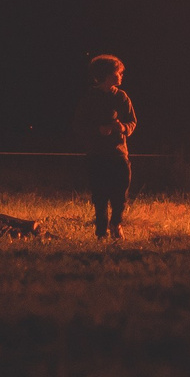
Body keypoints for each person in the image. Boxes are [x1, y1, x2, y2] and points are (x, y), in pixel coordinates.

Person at [73, 55, 136, 239]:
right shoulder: (90, 98)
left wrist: (123, 127)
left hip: (118, 154)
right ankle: (101, 232)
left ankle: (116, 223)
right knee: (100, 196)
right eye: (118, 72)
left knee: (120, 194)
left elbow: (132, 121)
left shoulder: (122, 97)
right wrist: (98, 130)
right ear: (107, 74)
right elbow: (78, 125)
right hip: (97, 155)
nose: (121, 75)